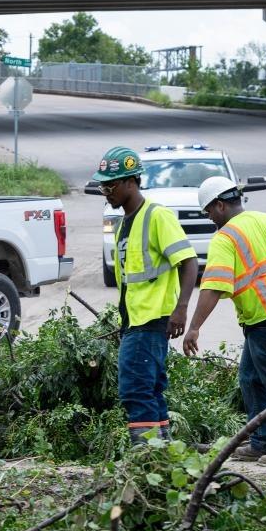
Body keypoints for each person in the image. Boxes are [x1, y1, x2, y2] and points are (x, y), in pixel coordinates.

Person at [183, 176, 266, 466]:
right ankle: (263, 441)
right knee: (251, 379)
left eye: (208, 213)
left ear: (219, 205)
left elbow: (215, 286)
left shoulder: (225, 237)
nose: (209, 219)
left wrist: (194, 327)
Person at [91, 146, 198, 444]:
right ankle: (161, 455)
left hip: (151, 321)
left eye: (110, 186)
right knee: (149, 389)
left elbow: (188, 262)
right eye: (102, 186)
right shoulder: (123, 224)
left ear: (130, 182)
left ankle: (146, 456)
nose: (105, 192)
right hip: (135, 323)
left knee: (135, 390)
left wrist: (181, 309)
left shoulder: (156, 216)